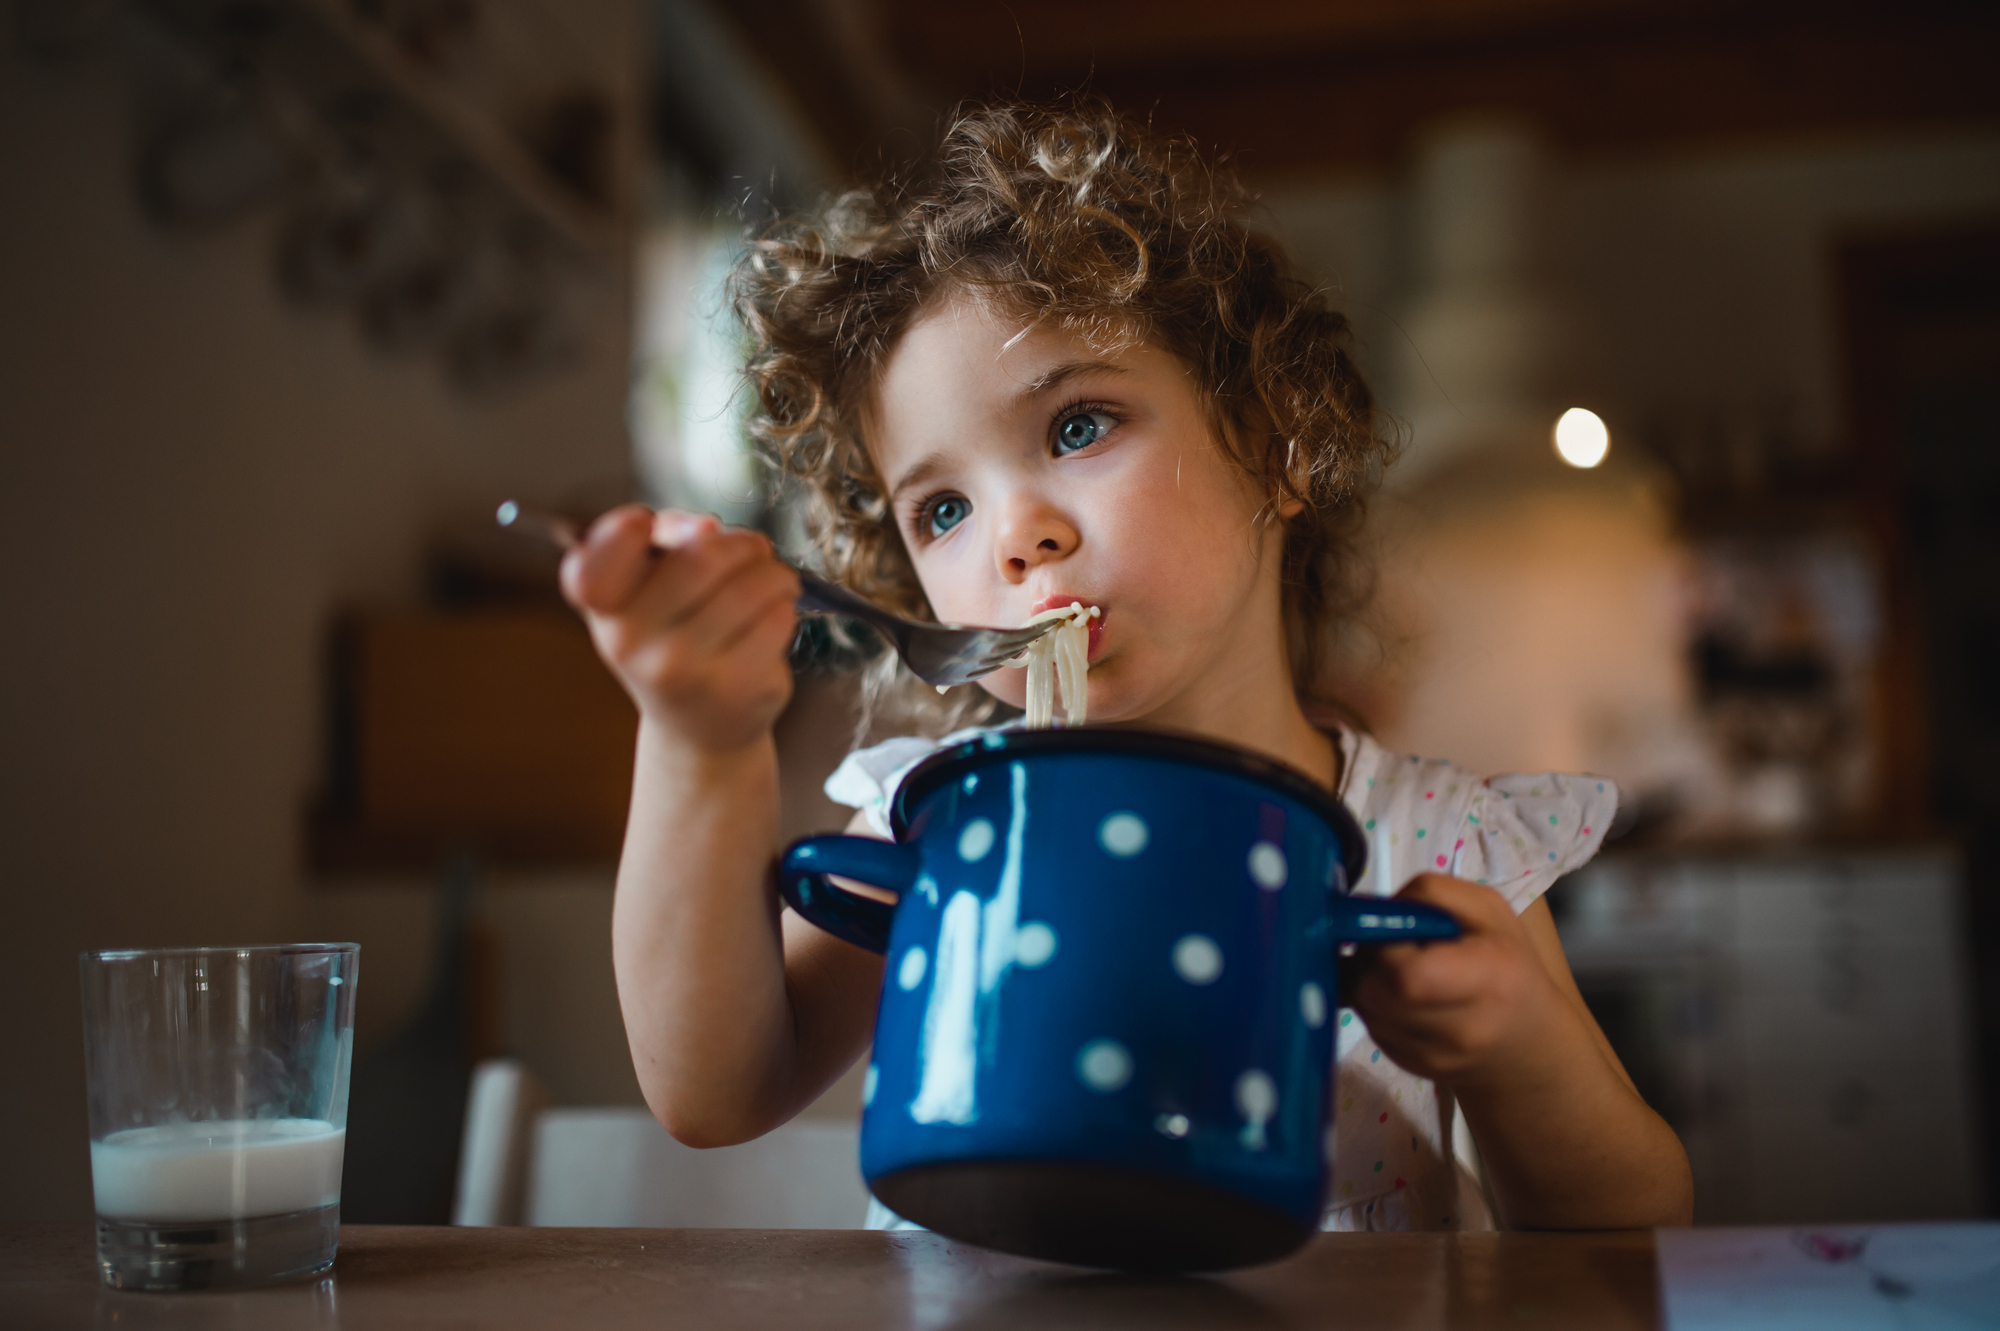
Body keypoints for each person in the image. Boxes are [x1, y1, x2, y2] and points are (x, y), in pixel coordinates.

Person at [561, 100, 1693, 1232]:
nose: (1014, 533)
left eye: (1075, 427)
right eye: (942, 506)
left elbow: (1630, 1229)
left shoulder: (1430, 850)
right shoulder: (944, 823)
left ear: (1275, 439)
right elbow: (712, 1091)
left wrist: (1517, 1055)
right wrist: (698, 740)